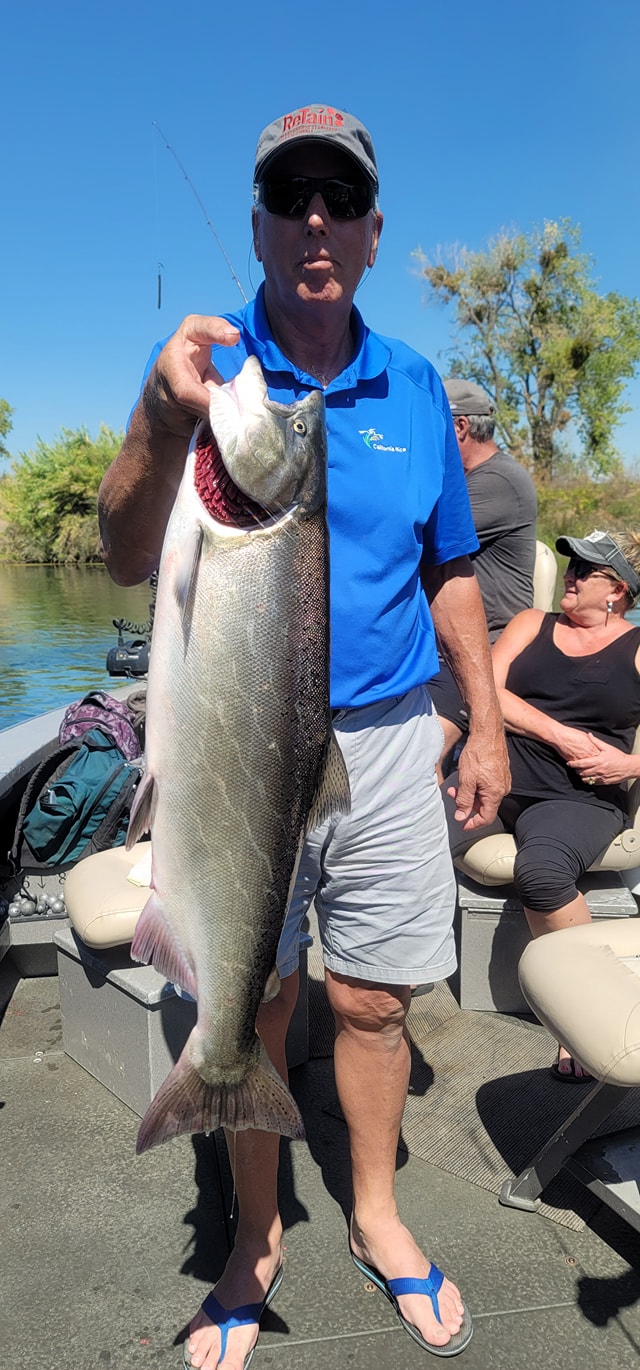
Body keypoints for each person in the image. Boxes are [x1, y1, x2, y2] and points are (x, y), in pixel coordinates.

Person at [99, 103, 509, 1365]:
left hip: (385, 740)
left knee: (372, 1002)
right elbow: (123, 549)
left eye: (340, 198)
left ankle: (374, 1212)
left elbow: (451, 570)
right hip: (238, 735)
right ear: (266, 224)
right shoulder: (209, 377)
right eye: (292, 197)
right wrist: (165, 421)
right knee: (260, 999)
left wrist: (482, 722)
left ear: (375, 232)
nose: (316, 219)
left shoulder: (419, 385)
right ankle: (257, 1232)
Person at [444, 528, 640, 1081]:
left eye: (586, 570)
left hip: (578, 798)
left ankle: (589, 1012)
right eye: (570, 565)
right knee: (402, 836)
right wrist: (560, 734)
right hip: (496, 775)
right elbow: (483, 689)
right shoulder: (533, 624)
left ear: (618, 591)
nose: (571, 576)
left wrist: (630, 766)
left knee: (543, 870)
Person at [428, 379, 537, 777]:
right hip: (440, 646)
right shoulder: (467, 481)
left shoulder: (497, 482)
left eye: (428, 426)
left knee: (421, 755)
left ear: (459, 428)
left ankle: (434, 838)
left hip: (483, 647)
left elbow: (416, 540)